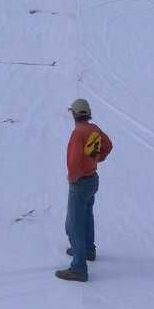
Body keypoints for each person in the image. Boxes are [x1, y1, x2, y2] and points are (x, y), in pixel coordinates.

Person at [55, 98, 113, 283]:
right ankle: (88, 250)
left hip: (80, 183)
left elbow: (73, 161)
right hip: (93, 179)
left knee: (73, 225)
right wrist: (97, 159)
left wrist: (73, 177)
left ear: (74, 114)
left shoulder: (78, 133)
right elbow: (108, 145)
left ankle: (79, 268)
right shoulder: (93, 129)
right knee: (87, 216)